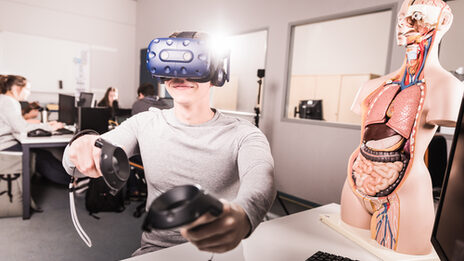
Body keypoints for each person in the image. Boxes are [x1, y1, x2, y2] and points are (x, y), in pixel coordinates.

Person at [62, 31, 275, 256]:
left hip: (222, 252)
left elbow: (262, 179)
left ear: (216, 73)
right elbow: (75, 161)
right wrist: (79, 146)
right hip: (157, 251)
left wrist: (242, 214)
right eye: (170, 64)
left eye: (193, 64)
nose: (180, 75)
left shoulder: (243, 133)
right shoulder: (144, 124)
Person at [340, 0, 464, 255]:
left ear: (443, 21)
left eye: (415, 16)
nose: (403, 23)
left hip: (405, 194)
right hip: (355, 185)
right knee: (344, 249)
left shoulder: (447, 87)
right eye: (401, 17)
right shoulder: (373, 87)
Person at [0, 75, 71, 185]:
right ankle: (72, 181)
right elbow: (22, 128)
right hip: (5, 146)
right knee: (41, 157)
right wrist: (50, 127)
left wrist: (45, 125)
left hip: (5, 143)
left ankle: (68, 178)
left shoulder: (4, 99)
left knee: (43, 154)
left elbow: (18, 124)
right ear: (16, 89)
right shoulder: (9, 102)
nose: (28, 93)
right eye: (27, 89)